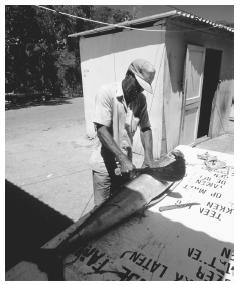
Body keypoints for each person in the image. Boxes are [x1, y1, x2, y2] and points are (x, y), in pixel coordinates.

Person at [90, 58, 156, 206]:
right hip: (104, 164)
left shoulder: (141, 100)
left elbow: (145, 128)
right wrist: (122, 157)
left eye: (143, 88)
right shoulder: (106, 92)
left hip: (126, 165)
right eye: (138, 86)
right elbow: (101, 130)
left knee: (120, 206)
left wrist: (149, 157)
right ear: (129, 75)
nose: (139, 90)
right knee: (101, 211)